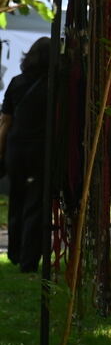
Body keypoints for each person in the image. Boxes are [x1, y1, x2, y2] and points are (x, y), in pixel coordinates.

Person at [0, 38, 52, 272]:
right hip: (40, 151)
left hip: (16, 150)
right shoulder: (53, 85)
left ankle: (14, 252)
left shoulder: (16, 82)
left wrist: (1, 151)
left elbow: (6, 121)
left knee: (17, 200)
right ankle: (29, 259)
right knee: (35, 205)